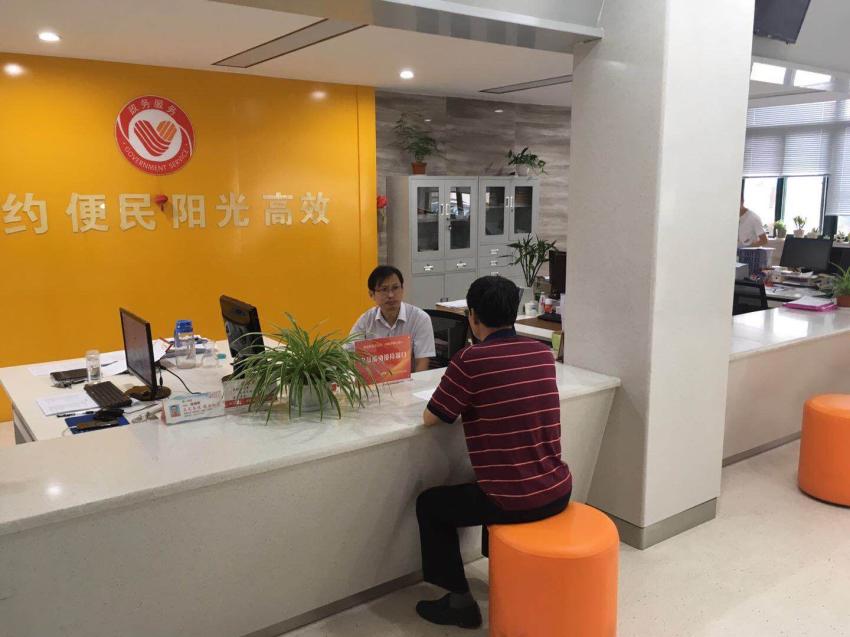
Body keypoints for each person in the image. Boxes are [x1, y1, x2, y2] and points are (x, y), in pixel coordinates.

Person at [414, 276, 572, 629]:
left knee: (430, 505)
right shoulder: (541, 353)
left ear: (472, 316)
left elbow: (432, 418)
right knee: (495, 479)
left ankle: (459, 602)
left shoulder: (470, 360)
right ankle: (501, 570)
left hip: (514, 500)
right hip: (559, 488)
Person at [350, 265, 436, 373]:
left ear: (402, 289)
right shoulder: (366, 320)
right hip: (376, 381)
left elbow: (422, 362)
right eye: (384, 289)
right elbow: (349, 354)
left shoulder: (420, 318)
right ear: (372, 294)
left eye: (395, 288)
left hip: (409, 381)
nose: (391, 295)